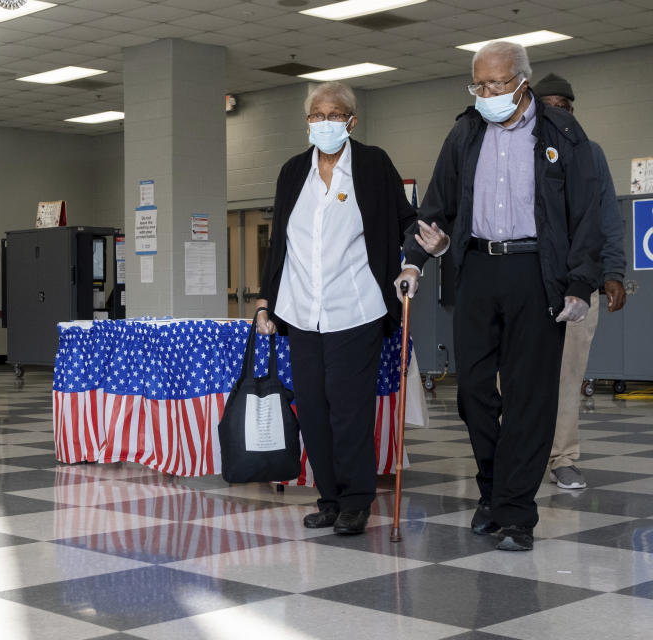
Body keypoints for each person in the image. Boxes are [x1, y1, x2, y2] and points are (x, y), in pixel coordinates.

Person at [394, 42, 603, 551]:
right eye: (479, 85)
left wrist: (580, 282)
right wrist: (413, 261)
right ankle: (492, 488)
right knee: (474, 395)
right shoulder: (465, 132)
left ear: (522, 82)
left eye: (496, 85)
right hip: (478, 269)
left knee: (531, 398)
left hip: (537, 271)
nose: (487, 94)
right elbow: (437, 204)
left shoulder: (564, 135)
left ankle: (515, 512)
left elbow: (587, 217)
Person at [254, 81, 417, 535]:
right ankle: (329, 497)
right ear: (307, 122)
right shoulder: (292, 172)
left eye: (335, 114)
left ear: (351, 120)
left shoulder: (371, 164)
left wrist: (418, 258)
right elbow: (279, 243)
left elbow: (404, 222)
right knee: (314, 408)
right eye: (316, 115)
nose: (325, 122)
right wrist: (267, 300)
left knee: (349, 410)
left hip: (355, 308)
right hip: (301, 309)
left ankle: (357, 500)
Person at [532, 73, 627, 490]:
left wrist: (613, 272)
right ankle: (511, 455)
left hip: (577, 283)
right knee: (512, 377)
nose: (557, 114)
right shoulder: (520, 152)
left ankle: (563, 457)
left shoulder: (591, 154)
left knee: (569, 376)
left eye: (564, 107)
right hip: (526, 283)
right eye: (548, 106)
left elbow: (608, 216)